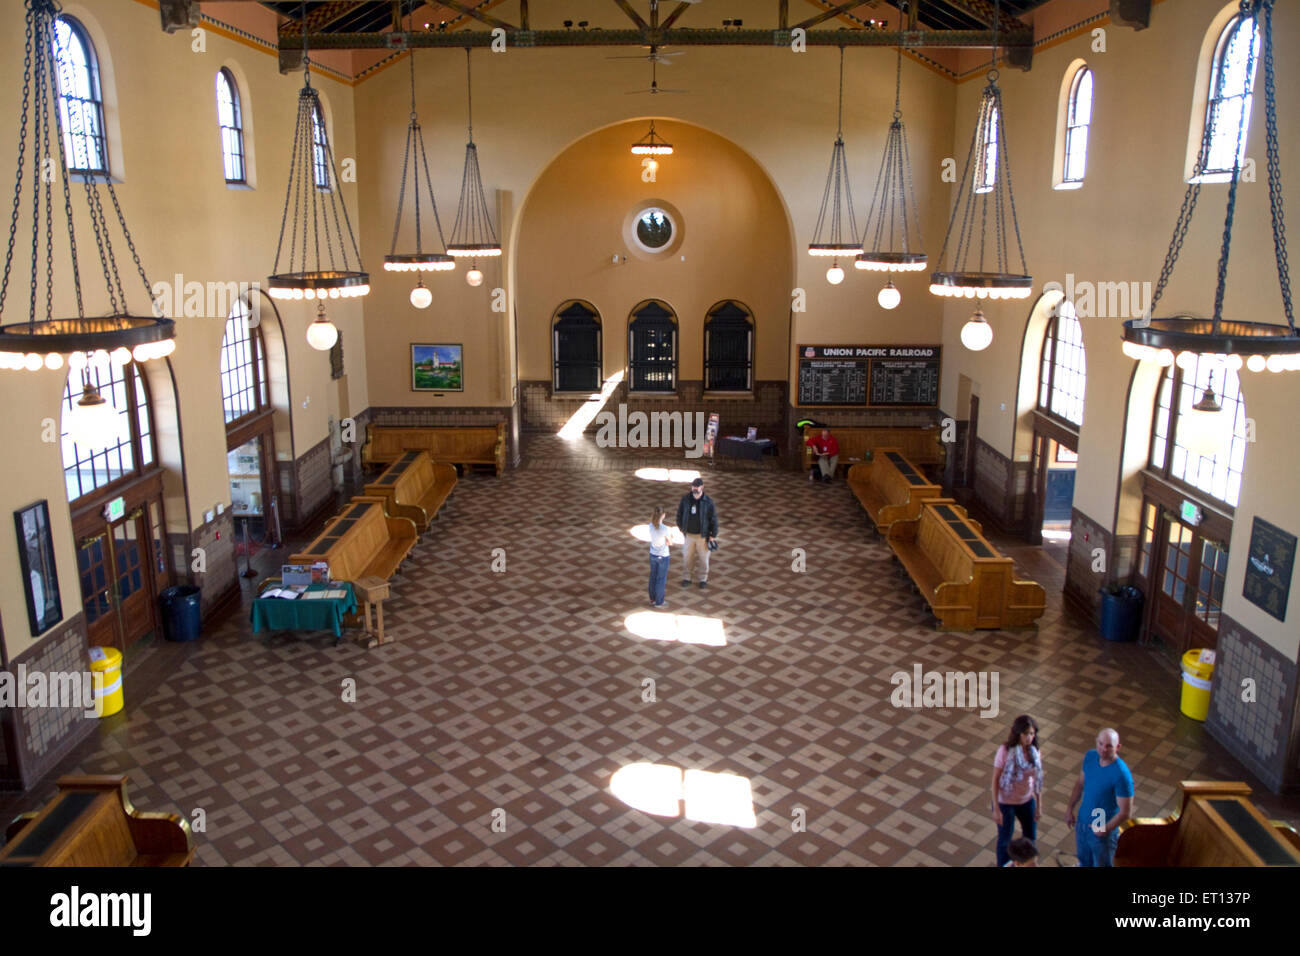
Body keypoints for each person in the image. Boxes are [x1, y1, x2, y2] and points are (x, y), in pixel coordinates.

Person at [1065, 728, 1134, 867]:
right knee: (1084, 862)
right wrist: (1070, 808)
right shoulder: (1090, 757)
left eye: (1109, 746)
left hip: (1102, 831)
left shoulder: (1121, 774)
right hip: (1083, 824)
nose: (1103, 749)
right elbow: (1080, 783)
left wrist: (1106, 829)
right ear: (1096, 742)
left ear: (1118, 747)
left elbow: (1125, 812)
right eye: (1101, 744)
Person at [991, 714, 1043, 868]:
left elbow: (1037, 781)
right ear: (1018, 733)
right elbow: (995, 780)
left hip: (1026, 800)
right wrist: (996, 808)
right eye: (1026, 734)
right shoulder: (1005, 751)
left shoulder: (1035, 753)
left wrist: (1039, 805)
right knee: (1005, 841)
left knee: (1030, 838)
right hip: (1005, 802)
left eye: (1032, 734)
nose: (1029, 738)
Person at [675, 477, 718, 589]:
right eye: (693, 486)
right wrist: (682, 528)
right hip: (689, 535)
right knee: (687, 558)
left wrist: (713, 535)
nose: (694, 488)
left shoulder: (708, 502)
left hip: (702, 536)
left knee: (704, 559)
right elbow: (679, 515)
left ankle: (703, 579)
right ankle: (687, 578)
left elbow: (713, 519)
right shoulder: (686, 499)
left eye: (697, 487)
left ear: (702, 487)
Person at [647, 506, 672, 608]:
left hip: (653, 554)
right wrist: (668, 540)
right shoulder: (665, 529)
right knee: (661, 579)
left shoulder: (650, 526)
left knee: (653, 577)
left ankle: (652, 599)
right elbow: (670, 542)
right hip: (663, 556)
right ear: (663, 515)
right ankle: (659, 602)